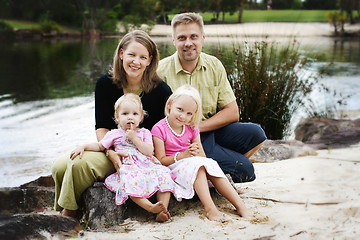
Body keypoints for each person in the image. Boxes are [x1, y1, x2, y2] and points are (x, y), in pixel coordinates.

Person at [51, 30, 172, 219]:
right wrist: (110, 152)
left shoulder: (161, 91)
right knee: (58, 166)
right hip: (112, 147)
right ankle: (68, 208)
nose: (136, 61)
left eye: (142, 57)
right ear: (122, 54)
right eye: (131, 54)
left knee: (77, 166)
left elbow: (160, 133)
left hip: (139, 158)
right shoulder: (105, 84)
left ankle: (70, 215)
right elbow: (101, 127)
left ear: (150, 60)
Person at [157, 12, 266, 184]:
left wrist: (197, 127)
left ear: (202, 38)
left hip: (208, 129)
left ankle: (212, 170)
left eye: (194, 36)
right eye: (182, 37)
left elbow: (232, 112)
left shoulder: (214, 65)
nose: (188, 43)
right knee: (245, 170)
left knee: (256, 133)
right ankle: (214, 171)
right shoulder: (160, 71)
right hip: (179, 137)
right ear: (174, 41)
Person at [152, 85, 250, 222]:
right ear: (169, 105)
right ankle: (210, 208)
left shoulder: (192, 128)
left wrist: (196, 153)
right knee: (198, 166)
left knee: (209, 163)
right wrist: (181, 156)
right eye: (180, 109)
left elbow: (203, 156)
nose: (183, 116)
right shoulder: (159, 129)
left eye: (189, 113)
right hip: (172, 166)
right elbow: (160, 160)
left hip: (192, 164)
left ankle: (240, 206)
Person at [70, 93, 174, 222]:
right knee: (129, 181)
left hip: (146, 164)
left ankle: (163, 210)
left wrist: (135, 138)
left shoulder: (144, 132)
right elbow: (100, 146)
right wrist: (84, 146)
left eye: (135, 114)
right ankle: (151, 208)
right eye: (125, 114)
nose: (130, 117)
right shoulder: (114, 134)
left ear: (141, 117)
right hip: (128, 166)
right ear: (117, 118)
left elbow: (149, 151)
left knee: (164, 174)